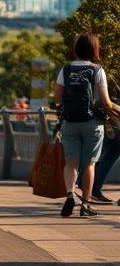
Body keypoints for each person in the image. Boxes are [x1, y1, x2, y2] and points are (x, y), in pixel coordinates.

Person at [55, 33, 120, 217]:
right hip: (93, 123)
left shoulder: (65, 70)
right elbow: (106, 103)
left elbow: (58, 98)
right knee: (90, 165)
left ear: (76, 49)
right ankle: (85, 205)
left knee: (71, 164)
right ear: (95, 49)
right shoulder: (98, 70)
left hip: (70, 122)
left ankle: (69, 194)